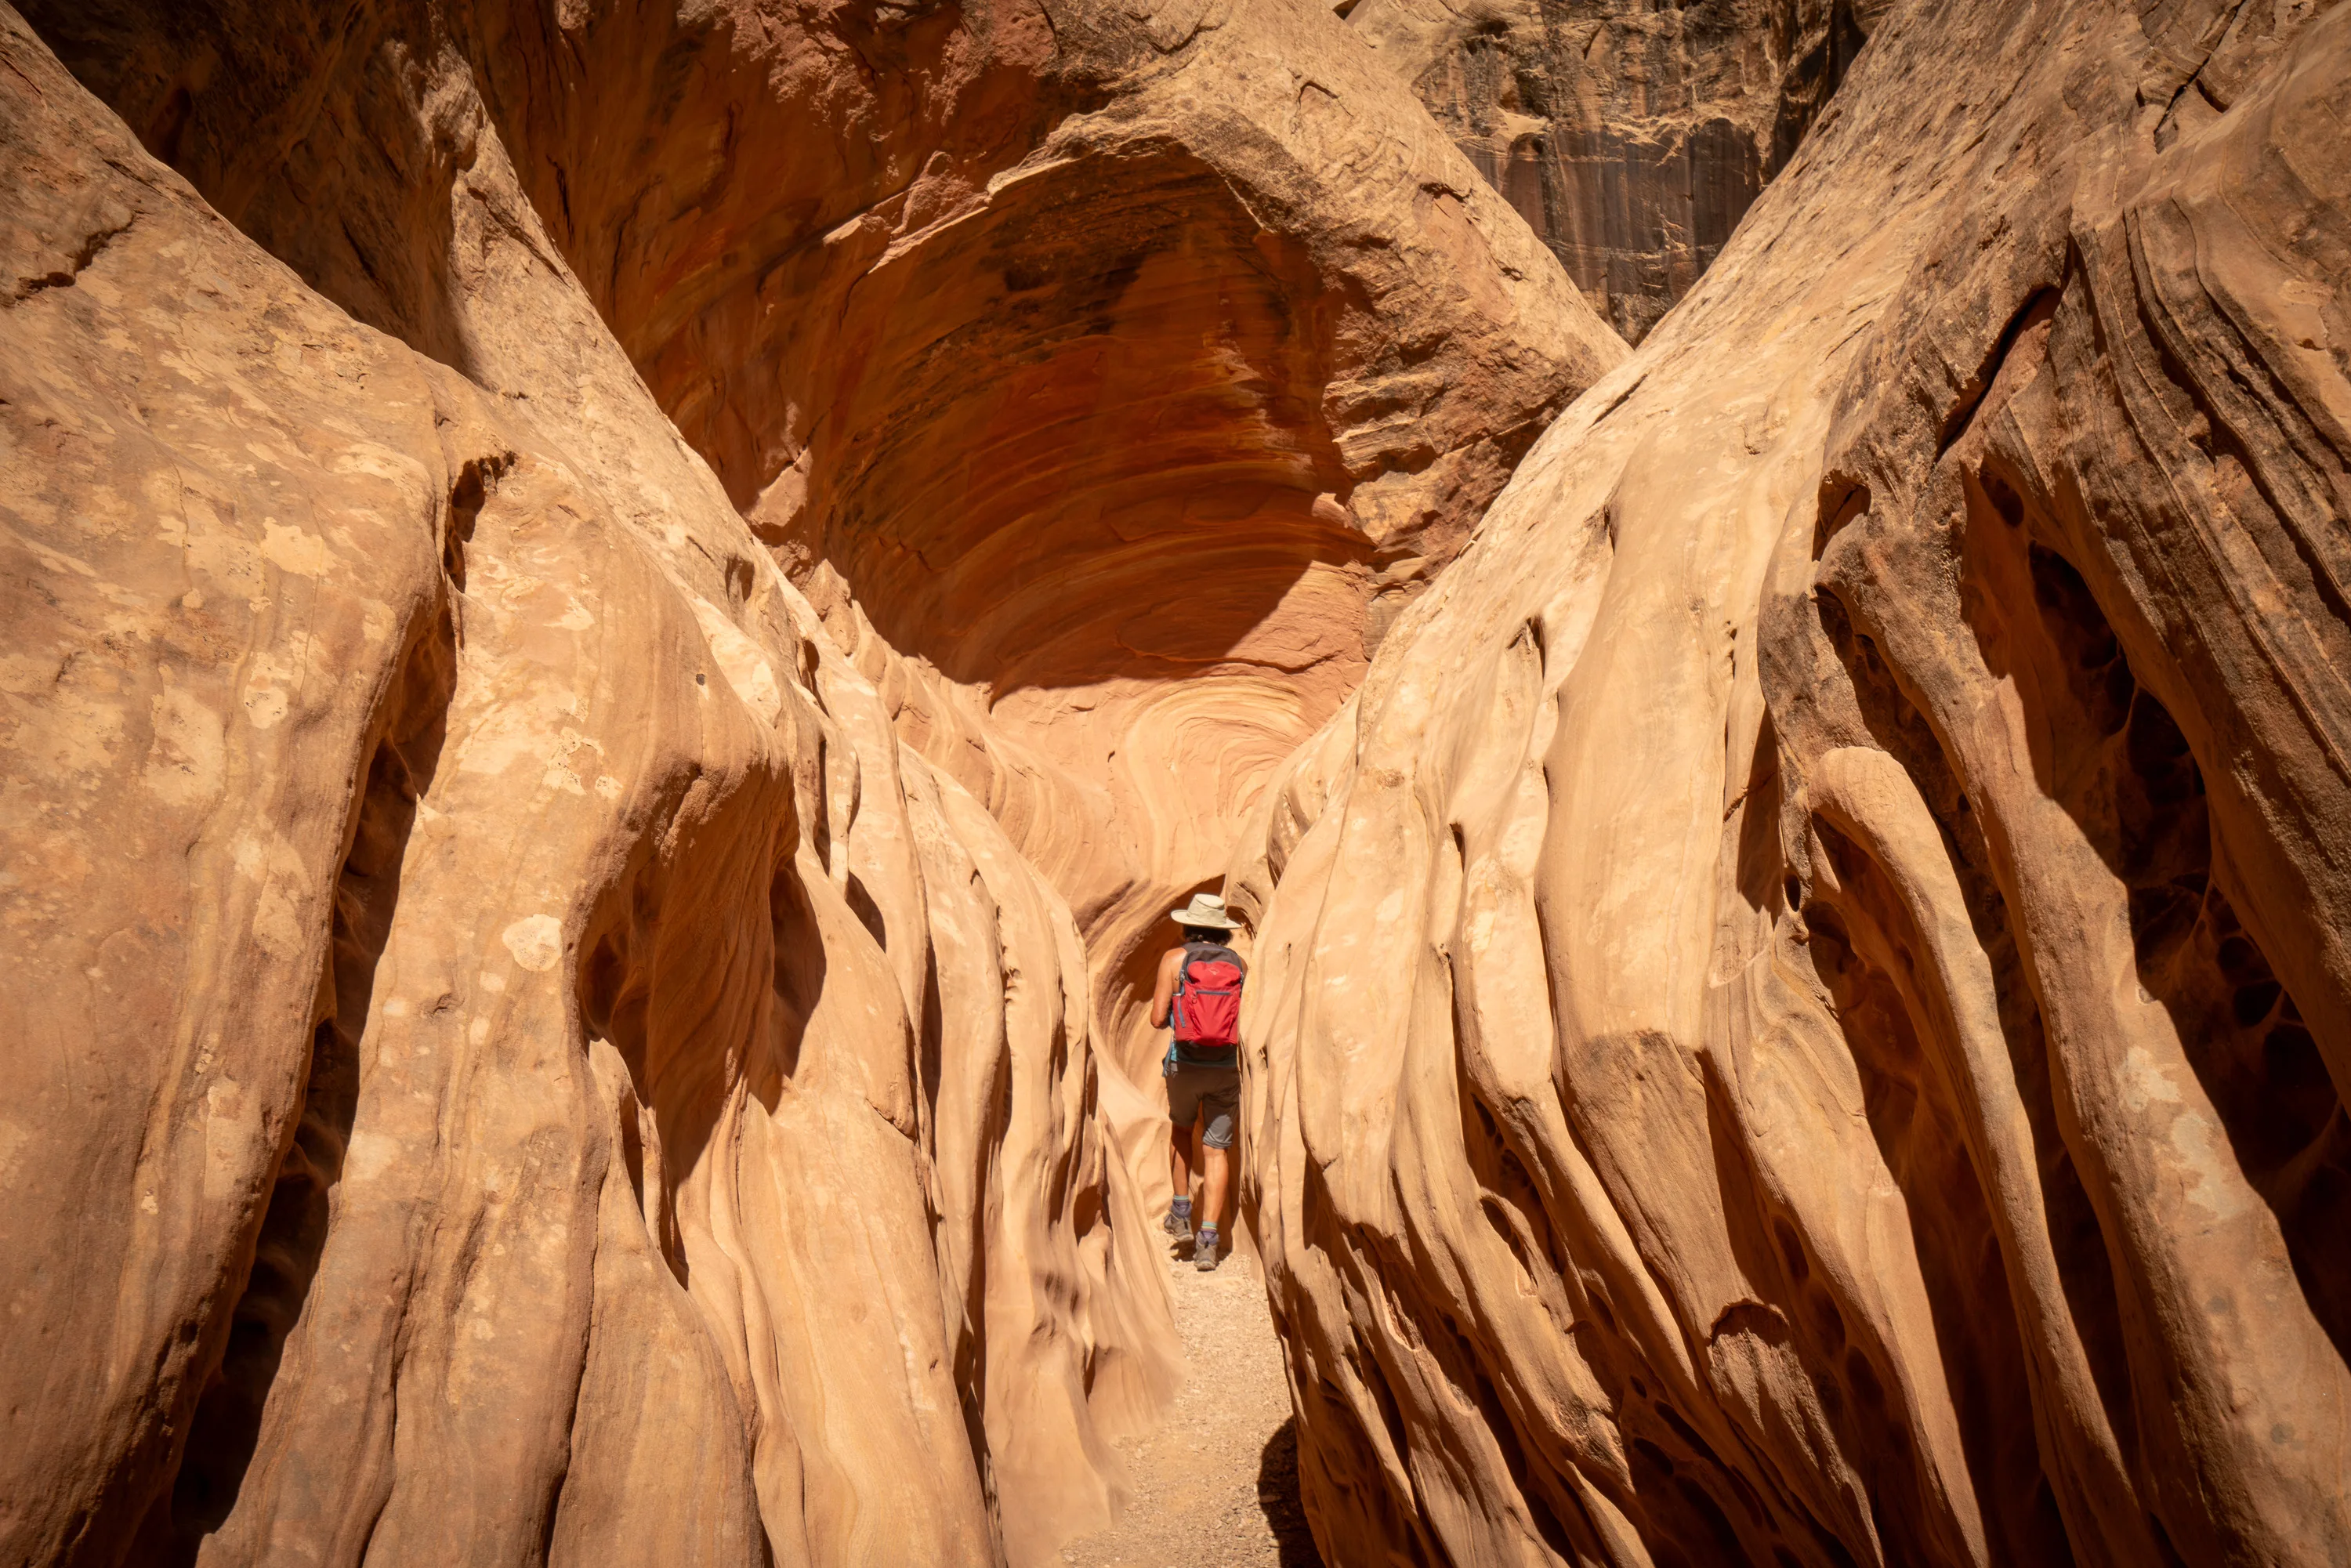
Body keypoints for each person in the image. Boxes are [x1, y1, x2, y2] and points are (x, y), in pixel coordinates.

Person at [1153, 892, 1247, 1271]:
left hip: (1185, 1066)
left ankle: (1180, 1214)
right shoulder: (1240, 964)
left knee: (1180, 1130)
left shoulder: (1174, 960)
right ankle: (1209, 1239)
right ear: (1222, 930)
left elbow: (1158, 1018)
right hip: (1224, 1069)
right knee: (1216, 1151)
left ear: (1188, 924)